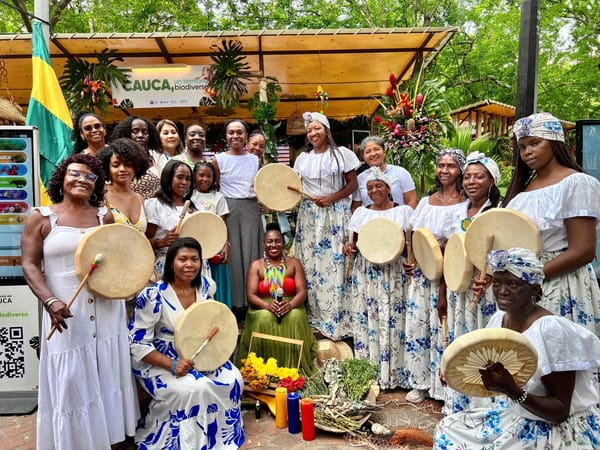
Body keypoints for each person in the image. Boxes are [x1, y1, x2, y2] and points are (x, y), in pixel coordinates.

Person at [21, 153, 138, 449]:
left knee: (108, 375)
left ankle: (111, 439)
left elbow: (121, 259)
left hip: (108, 312)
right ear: (62, 178)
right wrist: (50, 302)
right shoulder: (42, 217)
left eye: (90, 177)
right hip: (66, 315)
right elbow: (30, 265)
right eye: (76, 174)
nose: (82, 180)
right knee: (72, 378)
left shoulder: (105, 217)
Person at [434, 247, 600, 449]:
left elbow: (560, 411)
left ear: (535, 289)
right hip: (518, 411)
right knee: (447, 428)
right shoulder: (499, 320)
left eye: (513, 284)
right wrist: (455, 374)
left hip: (550, 426)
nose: (502, 290)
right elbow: (487, 367)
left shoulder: (551, 330)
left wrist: (512, 391)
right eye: (497, 283)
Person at [482, 112, 600, 336]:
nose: (528, 152)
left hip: (559, 282)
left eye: (535, 143)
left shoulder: (576, 183)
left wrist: (530, 277)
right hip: (520, 287)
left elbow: (583, 250)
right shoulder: (520, 194)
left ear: (556, 143)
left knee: (555, 355)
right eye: (523, 146)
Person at [129, 237, 245, 449]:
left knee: (234, 379)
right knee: (194, 388)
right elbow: (137, 344)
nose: (189, 264)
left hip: (202, 353)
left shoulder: (206, 287)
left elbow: (212, 319)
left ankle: (220, 438)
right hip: (161, 359)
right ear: (171, 262)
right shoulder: (153, 295)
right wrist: (172, 365)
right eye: (183, 259)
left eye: (195, 259)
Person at [403, 148, 467, 403]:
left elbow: (461, 242)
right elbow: (416, 236)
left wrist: (443, 267)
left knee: (446, 325)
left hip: (450, 273)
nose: (444, 170)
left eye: (451, 166)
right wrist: (412, 260)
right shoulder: (426, 202)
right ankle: (420, 381)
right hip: (423, 274)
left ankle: (446, 387)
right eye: (441, 165)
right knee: (420, 325)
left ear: (460, 170)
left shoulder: (466, 204)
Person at [442, 151, 502, 414]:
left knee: (485, 343)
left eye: (479, 176)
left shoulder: (500, 212)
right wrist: (444, 289)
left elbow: (507, 251)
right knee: (462, 341)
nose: (471, 181)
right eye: (467, 177)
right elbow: (449, 251)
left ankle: (486, 403)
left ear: (492, 181)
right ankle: (462, 401)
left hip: (486, 290)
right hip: (459, 288)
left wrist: (491, 277)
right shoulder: (457, 211)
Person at [343, 167, 413, 389]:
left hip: (393, 273)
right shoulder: (361, 214)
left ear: (389, 189)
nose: (374, 191)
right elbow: (352, 243)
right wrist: (348, 248)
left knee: (395, 317)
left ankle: (396, 373)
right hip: (368, 272)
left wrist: (411, 260)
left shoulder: (402, 212)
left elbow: (411, 244)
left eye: (379, 186)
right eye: (370, 187)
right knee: (371, 317)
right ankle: (371, 370)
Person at [293, 112, 360, 340]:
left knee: (335, 263)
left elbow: (353, 185)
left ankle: (337, 320)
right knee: (311, 265)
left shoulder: (342, 155)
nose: (313, 133)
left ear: (327, 130)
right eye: (309, 130)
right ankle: (315, 319)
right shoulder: (302, 159)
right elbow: (293, 188)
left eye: (317, 128)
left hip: (335, 214)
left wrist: (332, 198)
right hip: (310, 216)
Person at [237, 222, 318, 376]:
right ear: (264, 244)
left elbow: (302, 291)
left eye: (277, 241)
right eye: (270, 241)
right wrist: (267, 306)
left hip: (290, 304)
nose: (273, 245)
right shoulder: (256, 266)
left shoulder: (294, 263)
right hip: (262, 305)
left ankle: (295, 367)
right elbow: (251, 295)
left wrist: (291, 304)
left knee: (295, 317)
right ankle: (263, 369)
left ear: (283, 242)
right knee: (264, 318)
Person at [211, 119, 262, 321]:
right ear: (226, 136)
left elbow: (261, 185)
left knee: (251, 253)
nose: (235, 136)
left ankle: (252, 301)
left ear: (246, 137)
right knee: (232, 256)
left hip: (250, 207)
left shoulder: (255, 160)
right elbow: (216, 186)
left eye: (239, 132)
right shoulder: (218, 159)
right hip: (228, 207)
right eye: (231, 132)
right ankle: (235, 303)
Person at [191, 160, 232, 308]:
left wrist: (225, 245)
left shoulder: (218, 197)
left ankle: (221, 311)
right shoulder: (189, 197)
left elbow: (223, 224)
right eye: (201, 175)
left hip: (215, 245)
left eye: (209, 176)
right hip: (195, 246)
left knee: (218, 280)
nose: (205, 179)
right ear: (194, 177)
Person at [145, 159, 196, 277]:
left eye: (188, 179)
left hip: (193, 266)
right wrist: (162, 242)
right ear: (168, 178)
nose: (184, 182)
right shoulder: (155, 205)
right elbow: (144, 241)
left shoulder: (193, 206)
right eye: (180, 177)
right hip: (168, 264)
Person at [350, 136, 417, 212]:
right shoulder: (360, 179)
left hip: (398, 221)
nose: (373, 154)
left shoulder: (400, 173)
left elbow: (411, 201)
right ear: (363, 156)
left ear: (384, 151)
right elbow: (355, 207)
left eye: (377, 149)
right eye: (368, 152)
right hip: (371, 222)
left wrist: (406, 220)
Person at [98, 138, 150, 233]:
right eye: (116, 165)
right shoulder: (101, 196)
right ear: (107, 168)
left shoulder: (140, 198)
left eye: (128, 164)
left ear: (136, 167)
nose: (122, 169)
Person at [110, 115, 162, 199]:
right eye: (135, 131)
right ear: (126, 133)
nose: (140, 135)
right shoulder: (120, 160)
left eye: (145, 132)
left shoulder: (155, 158)